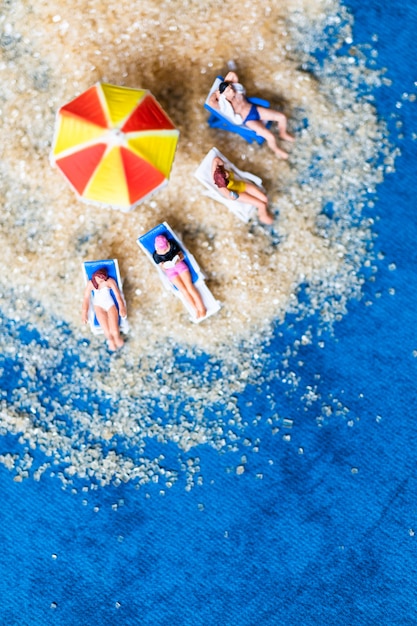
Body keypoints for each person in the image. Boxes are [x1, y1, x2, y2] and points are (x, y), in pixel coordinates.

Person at [208, 71, 294, 159]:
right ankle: (276, 150)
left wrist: (225, 84)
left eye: (230, 87)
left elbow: (232, 74)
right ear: (224, 95)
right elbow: (211, 102)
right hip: (248, 119)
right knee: (270, 136)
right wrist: (218, 93)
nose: (232, 90)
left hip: (254, 109)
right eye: (229, 90)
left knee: (281, 117)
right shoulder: (224, 104)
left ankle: (283, 133)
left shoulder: (236, 90)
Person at [153, 234, 207, 319]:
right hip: (170, 272)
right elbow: (161, 267)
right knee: (183, 290)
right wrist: (165, 266)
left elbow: (182, 255)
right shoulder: (156, 255)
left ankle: (202, 308)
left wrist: (177, 260)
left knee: (189, 287)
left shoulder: (172, 245)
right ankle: (196, 310)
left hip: (180, 266)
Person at [211, 155, 274, 225]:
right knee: (261, 205)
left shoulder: (218, 170)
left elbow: (216, 159)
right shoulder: (221, 187)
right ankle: (264, 218)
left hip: (242, 185)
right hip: (239, 193)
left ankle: (264, 213)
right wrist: (231, 194)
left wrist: (219, 167)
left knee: (265, 199)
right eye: (225, 177)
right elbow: (230, 196)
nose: (226, 174)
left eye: (225, 173)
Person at [82, 267, 126, 351]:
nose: (102, 282)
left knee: (114, 329)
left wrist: (122, 308)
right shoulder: (90, 284)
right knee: (106, 329)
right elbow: (86, 299)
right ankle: (110, 340)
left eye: (103, 280)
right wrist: (84, 314)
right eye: (100, 280)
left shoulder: (109, 281)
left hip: (110, 305)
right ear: (95, 277)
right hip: (98, 306)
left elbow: (118, 296)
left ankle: (117, 338)